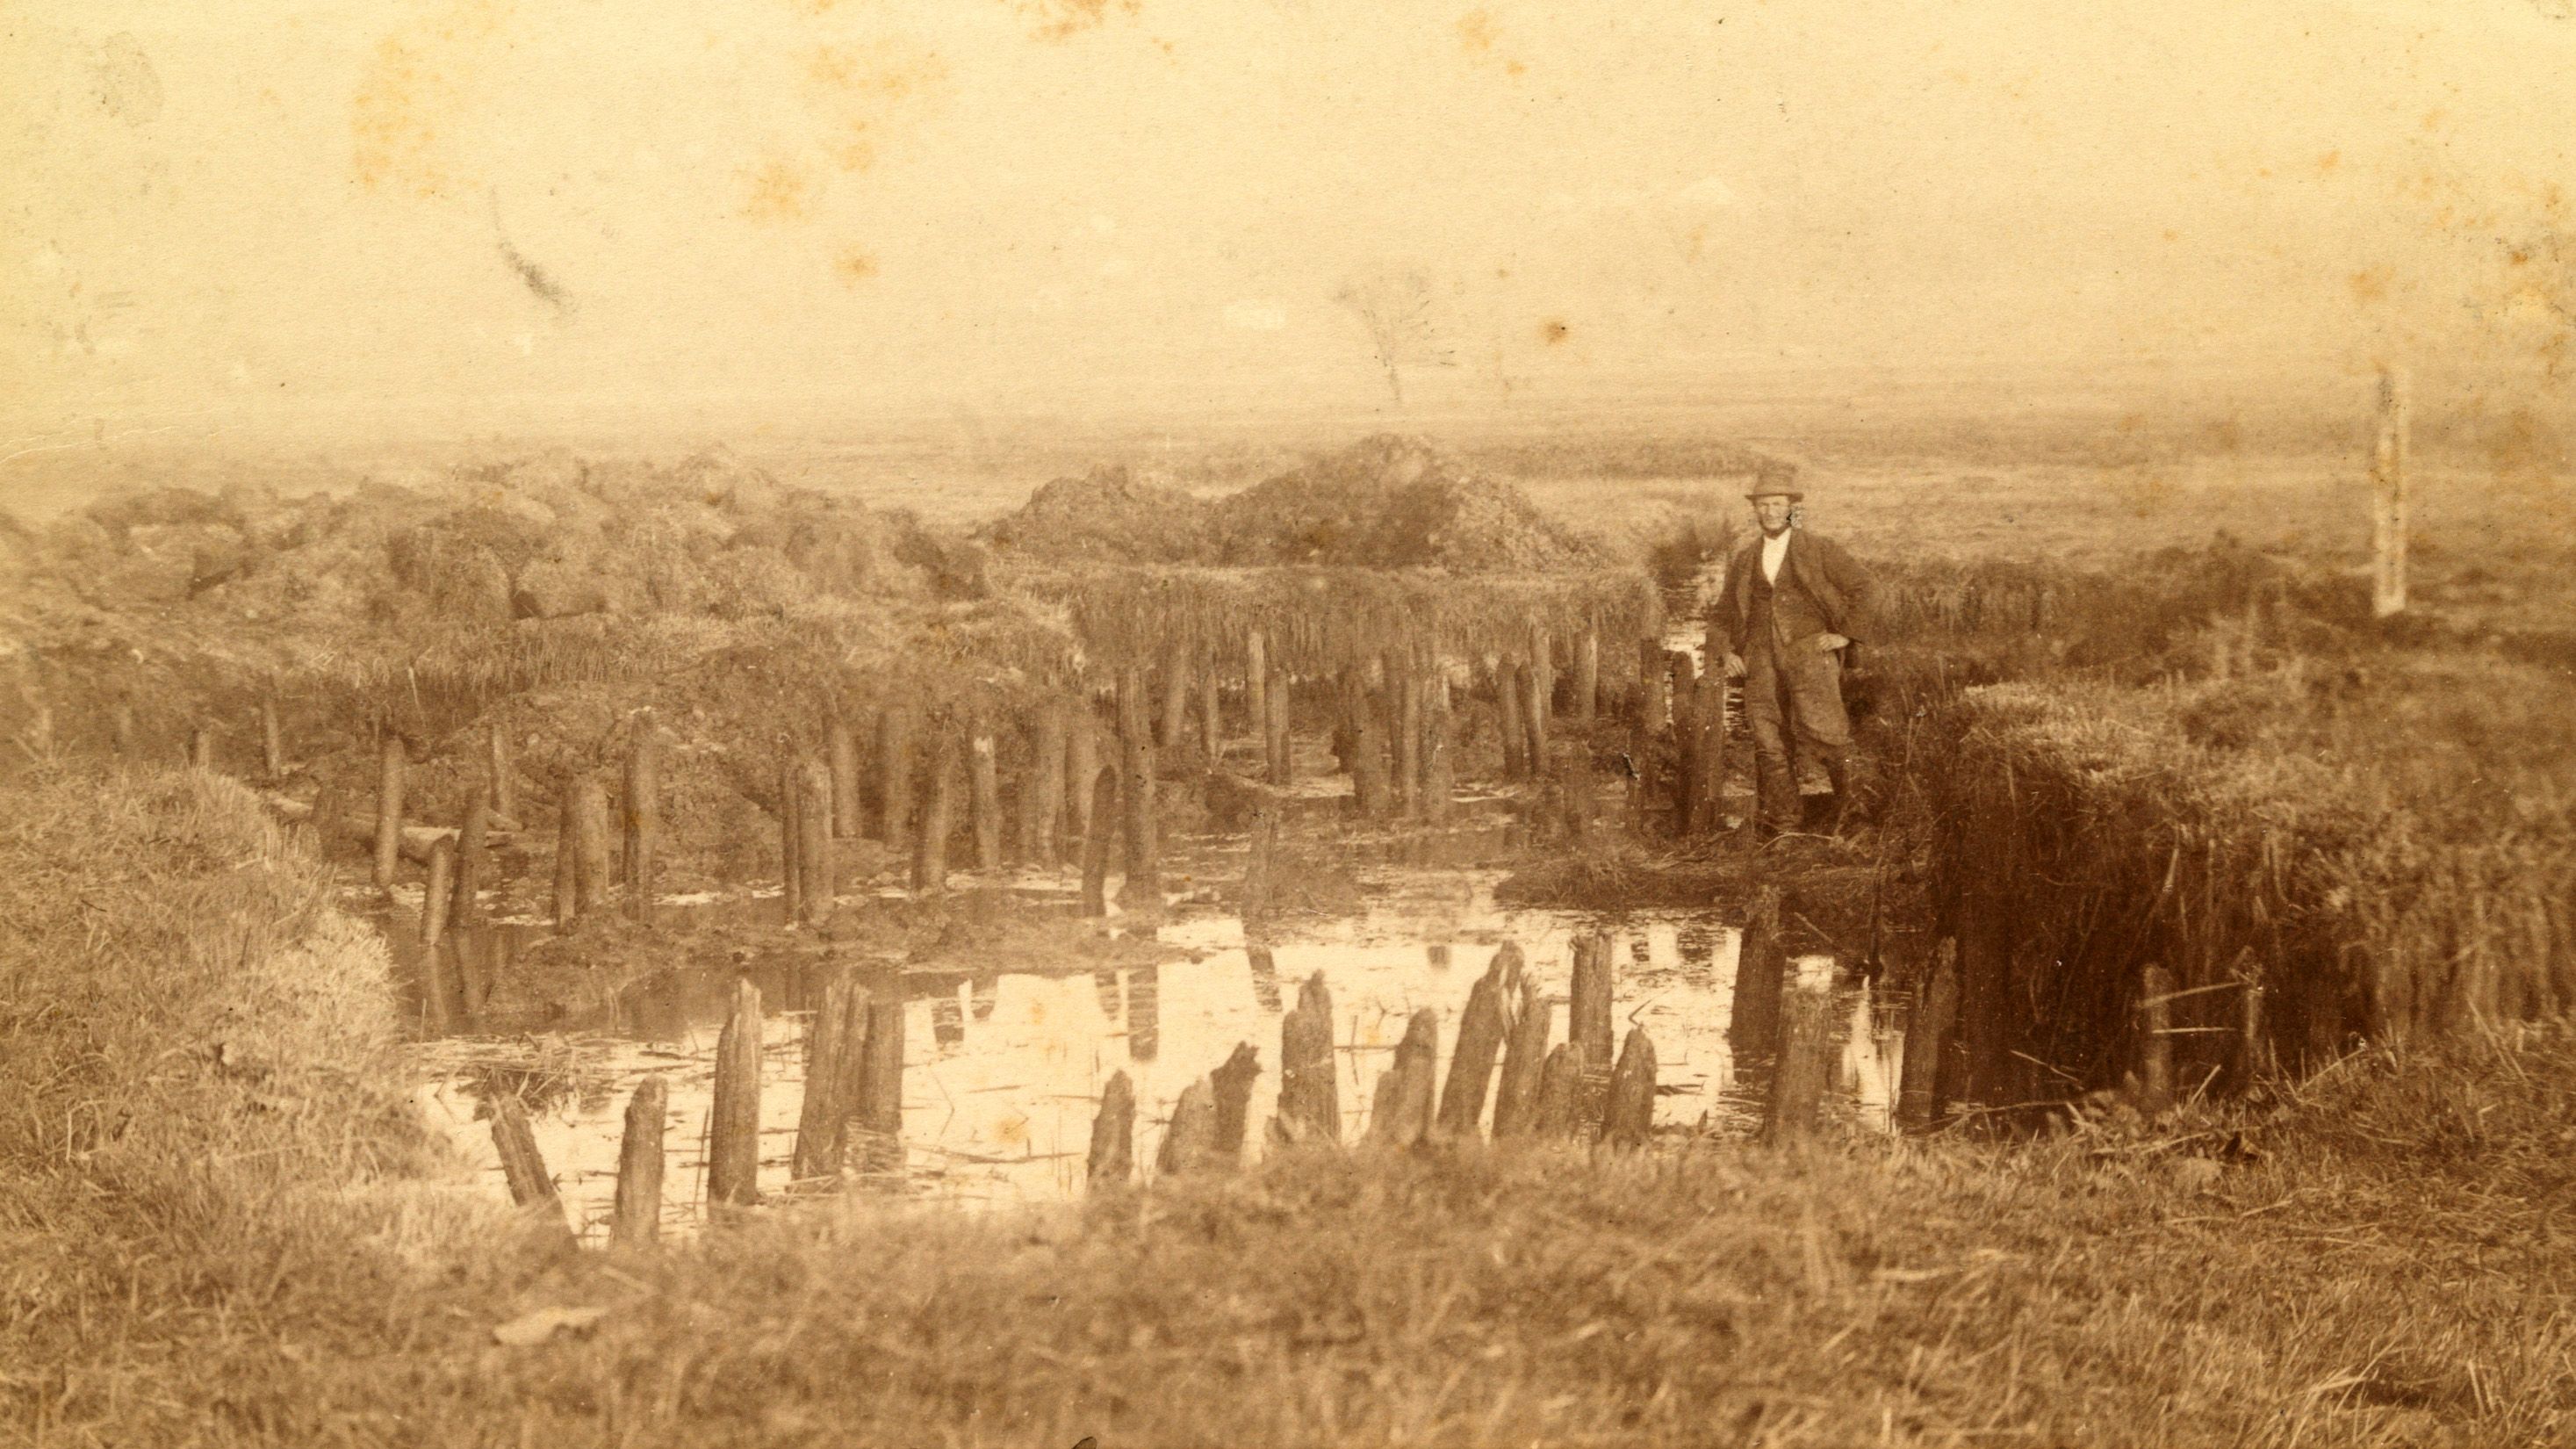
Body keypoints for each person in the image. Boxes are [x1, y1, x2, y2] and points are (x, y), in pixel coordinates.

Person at [1709, 471, 1876, 840]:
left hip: (1809, 653)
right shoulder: (1745, 558)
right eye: (1763, 504)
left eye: (1777, 504)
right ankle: (1785, 823)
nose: (1770, 511)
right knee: (1768, 740)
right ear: (1755, 509)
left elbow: (1865, 587)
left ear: (1791, 509)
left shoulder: (1818, 549)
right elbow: (1722, 613)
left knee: (1829, 734)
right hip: (1759, 658)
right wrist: (1725, 652)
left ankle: (1853, 819)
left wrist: (1846, 634)